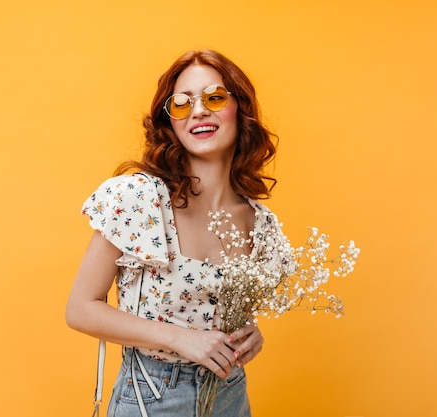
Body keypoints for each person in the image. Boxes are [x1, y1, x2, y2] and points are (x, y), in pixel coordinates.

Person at [66, 49, 286, 417]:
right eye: (181, 104)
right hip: (154, 397)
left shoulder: (258, 221)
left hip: (230, 395)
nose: (199, 111)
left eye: (214, 97)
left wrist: (248, 335)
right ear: (170, 122)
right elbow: (81, 309)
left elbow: (219, 315)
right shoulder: (138, 198)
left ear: (240, 109)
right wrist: (180, 339)